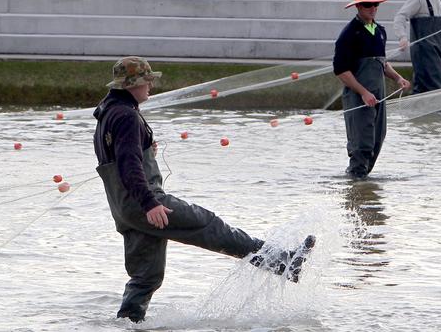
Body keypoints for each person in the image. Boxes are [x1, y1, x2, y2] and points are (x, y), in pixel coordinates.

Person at [93, 56, 315, 322]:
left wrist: (144, 149)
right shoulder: (127, 116)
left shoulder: (109, 111)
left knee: (146, 275)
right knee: (210, 225)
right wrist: (150, 203)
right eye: (147, 80)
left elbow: (119, 156)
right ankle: (283, 263)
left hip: (123, 207)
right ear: (132, 84)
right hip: (146, 202)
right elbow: (129, 165)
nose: (151, 85)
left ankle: (127, 323)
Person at [333, 0, 411, 180]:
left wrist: (398, 77)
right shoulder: (349, 34)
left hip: (379, 96)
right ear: (358, 7)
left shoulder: (380, 31)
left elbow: (382, 63)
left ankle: (363, 190)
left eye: (375, 4)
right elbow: (341, 71)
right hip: (358, 97)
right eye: (368, 5)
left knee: (377, 139)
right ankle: (354, 186)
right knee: (362, 144)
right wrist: (363, 92)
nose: (373, 8)